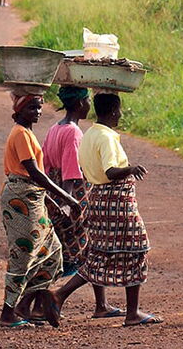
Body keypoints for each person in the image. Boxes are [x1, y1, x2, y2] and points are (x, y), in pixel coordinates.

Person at [55, 92, 161, 326]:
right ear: (114, 110)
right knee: (136, 249)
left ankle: (59, 296)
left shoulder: (90, 134)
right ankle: (133, 313)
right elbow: (111, 170)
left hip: (98, 199)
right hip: (117, 203)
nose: (120, 114)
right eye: (119, 110)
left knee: (100, 255)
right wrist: (131, 169)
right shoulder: (106, 137)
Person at [0, 93, 82, 328]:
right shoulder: (21, 134)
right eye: (31, 107)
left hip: (31, 198)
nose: (37, 112)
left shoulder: (27, 134)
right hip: (21, 199)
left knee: (52, 252)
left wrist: (53, 204)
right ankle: (8, 313)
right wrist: (68, 198)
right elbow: (34, 173)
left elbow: (35, 180)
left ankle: (27, 305)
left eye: (39, 107)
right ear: (19, 110)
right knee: (23, 256)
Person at [42, 87, 126, 320]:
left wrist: (52, 198)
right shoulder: (74, 133)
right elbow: (71, 172)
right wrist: (69, 202)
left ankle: (101, 304)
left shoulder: (54, 129)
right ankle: (42, 301)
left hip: (56, 194)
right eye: (87, 100)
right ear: (80, 104)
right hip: (74, 197)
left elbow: (47, 166)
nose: (89, 105)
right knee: (83, 254)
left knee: (87, 251)